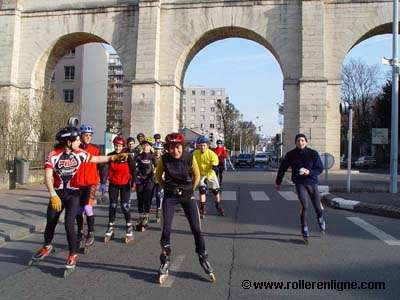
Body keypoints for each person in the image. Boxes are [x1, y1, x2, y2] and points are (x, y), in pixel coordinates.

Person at [29, 127, 127, 277]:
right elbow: (48, 177)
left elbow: (96, 159)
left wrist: (113, 157)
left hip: (73, 194)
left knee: (69, 224)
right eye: (76, 139)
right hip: (57, 194)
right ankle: (47, 246)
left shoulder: (79, 153)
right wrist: (52, 194)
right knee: (50, 222)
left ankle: (72, 254)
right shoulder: (53, 155)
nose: (79, 141)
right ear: (68, 142)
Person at [155, 133, 216, 284]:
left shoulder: (189, 157)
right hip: (170, 196)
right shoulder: (164, 159)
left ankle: (203, 256)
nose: (175, 151)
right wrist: (168, 189)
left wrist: (190, 191)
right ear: (167, 148)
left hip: (187, 195)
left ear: (182, 147)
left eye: (177, 147)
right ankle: (165, 259)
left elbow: (196, 176)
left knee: (196, 228)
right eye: (171, 148)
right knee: (166, 229)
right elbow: (158, 176)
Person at [275, 133, 325, 244]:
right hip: (299, 183)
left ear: (306, 142)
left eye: (302, 140)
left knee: (317, 207)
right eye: (298, 140)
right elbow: (282, 168)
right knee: (304, 205)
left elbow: (320, 168)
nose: (300, 142)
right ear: (295, 142)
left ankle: (320, 219)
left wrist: (309, 172)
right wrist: (278, 182)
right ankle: (304, 228)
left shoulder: (313, 153)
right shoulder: (290, 154)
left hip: (312, 182)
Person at [102, 135, 136, 244]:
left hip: (125, 184)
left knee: (125, 206)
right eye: (116, 146)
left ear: (123, 146)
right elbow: (105, 169)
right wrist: (103, 182)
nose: (118, 148)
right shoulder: (110, 156)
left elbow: (133, 170)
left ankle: (129, 227)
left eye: (120, 146)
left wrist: (134, 182)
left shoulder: (127, 156)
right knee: (112, 205)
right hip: (113, 184)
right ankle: (111, 226)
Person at [75, 124, 101, 253]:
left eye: (90, 136)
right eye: (86, 135)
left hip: (91, 183)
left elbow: (101, 166)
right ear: (80, 136)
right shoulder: (75, 150)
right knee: (78, 211)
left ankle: (90, 232)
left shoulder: (95, 150)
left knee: (87, 207)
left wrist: (102, 182)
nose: (88, 138)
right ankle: (80, 232)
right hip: (78, 184)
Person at [193, 136, 224, 218]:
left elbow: (215, 168)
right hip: (201, 174)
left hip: (210, 174)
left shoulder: (212, 154)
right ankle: (202, 209)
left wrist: (209, 177)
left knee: (215, 191)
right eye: (200, 145)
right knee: (202, 190)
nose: (202, 147)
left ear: (207, 145)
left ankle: (218, 206)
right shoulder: (195, 153)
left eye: (204, 145)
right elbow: (191, 164)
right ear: (198, 146)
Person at [134, 137, 157, 232]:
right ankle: (140, 216)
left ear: (150, 147)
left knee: (147, 199)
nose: (145, 147)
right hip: (140, 180)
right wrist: (135, 177)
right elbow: (135, 168)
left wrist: (155, 173)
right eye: (144, 145)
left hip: (149, 180)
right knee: (140, 198)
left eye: (147, 145)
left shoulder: (152, 157)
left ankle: (146, 217)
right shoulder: (138, 156)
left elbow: (157, 167)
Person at [152, 141, 164, 223]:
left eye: (159, 149)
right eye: (156, 149)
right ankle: (145, 214)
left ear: (161, 150)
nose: (157, 151)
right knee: (148, 196)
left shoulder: (164, 158)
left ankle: (158, 211)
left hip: (161, 180)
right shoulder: (151, 157)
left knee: (158, 195)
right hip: (152, 179)